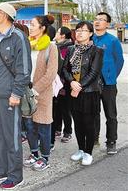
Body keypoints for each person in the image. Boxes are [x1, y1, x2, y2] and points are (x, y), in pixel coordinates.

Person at [0, 3, 31, 190]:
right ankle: (2, 169)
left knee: (11, 137)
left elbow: (25, 70)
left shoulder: (18, 37)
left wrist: (16, 93)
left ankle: (15, 175)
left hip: (10, 96)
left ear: (4, 15)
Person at [62, 21, 103, 166]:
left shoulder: (96, 50)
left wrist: (77, 86)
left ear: (90, 33)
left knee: (88, 124)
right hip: (73, 91)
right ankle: (80, 149)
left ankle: (88, 152)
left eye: (83, 30)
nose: (79, 33)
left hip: (89, 92)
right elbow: (65, 69)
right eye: (77, 30)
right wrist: (71, 82)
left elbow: (93, 73)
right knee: (77, 123)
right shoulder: (71, 49)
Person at [23, 15, 58, 171]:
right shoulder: (28, 44)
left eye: (33, 24)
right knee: (29, 127)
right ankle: (34, 153)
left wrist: (35, 90)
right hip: (26, 92)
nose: (30, 27)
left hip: (41, 93)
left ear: (42, 28)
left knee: (43, 127)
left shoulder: (51, 47)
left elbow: (50, 74)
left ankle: (45, 157)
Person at [93, 12, 124, 154]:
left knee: (110, 114)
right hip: (91, 83)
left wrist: (111, 77)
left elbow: (119, 61)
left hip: (108, 83)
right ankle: (94, 138)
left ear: (107, 24)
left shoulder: (112, 41)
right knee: (93, 112)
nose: (97, 21)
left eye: (101, 20)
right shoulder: (90, 39)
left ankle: (111, 141)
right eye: (96, 19)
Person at [51, 26, 74, 147]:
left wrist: (64, 81)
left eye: (58, 32)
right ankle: (58, 129)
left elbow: (67, 66)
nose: (56, 34)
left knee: (65, 108)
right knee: (57, 107)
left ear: (63, 35)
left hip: (65, 83)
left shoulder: (68, 48)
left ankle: (68, 131)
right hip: (56, 82)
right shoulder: (56, 46)